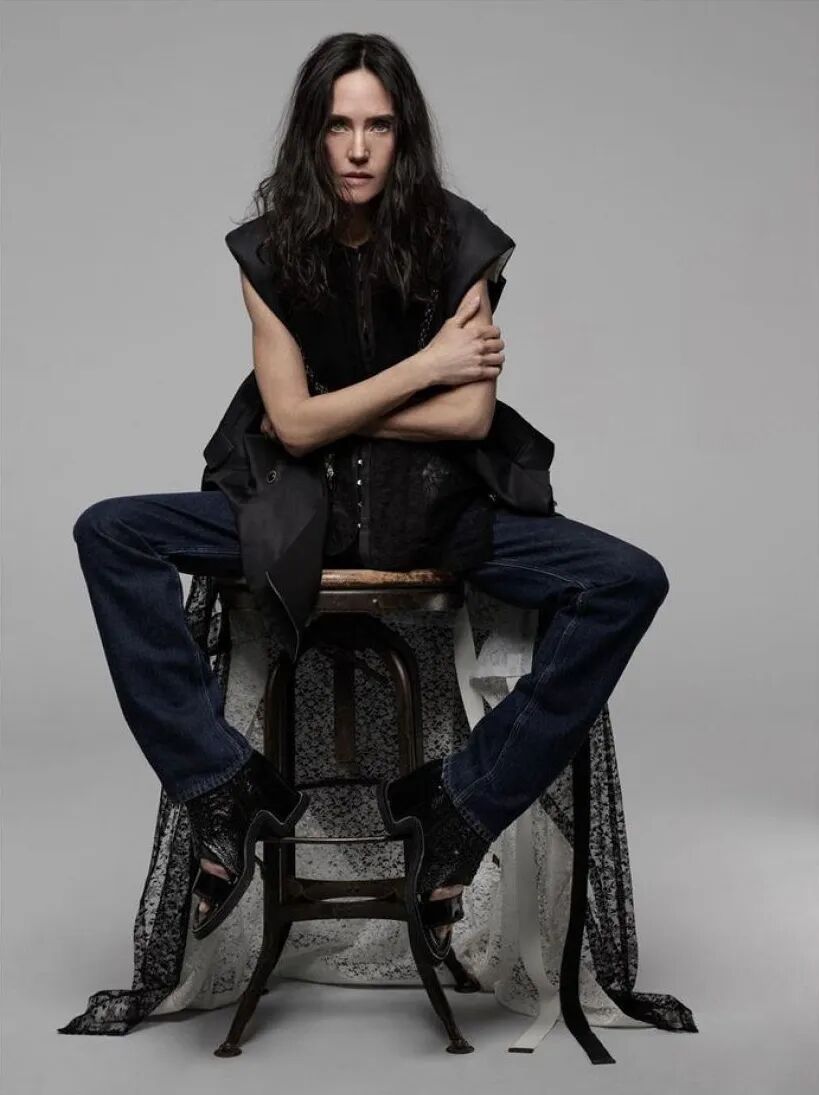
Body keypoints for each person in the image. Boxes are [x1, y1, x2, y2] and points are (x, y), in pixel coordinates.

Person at [72, 33, 669, 967]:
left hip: (437, 509)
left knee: (627, 580)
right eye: (338, 126)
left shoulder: (460, 238)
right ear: (311, 136)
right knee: (110, 531)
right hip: (297, 511)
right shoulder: (268, 251)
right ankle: (222, 782)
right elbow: (292, 428)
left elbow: (469, 416)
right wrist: (422, 368)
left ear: (404, 136)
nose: (357, 149)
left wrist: (334, 411)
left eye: (378, 127)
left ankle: (462, 798)